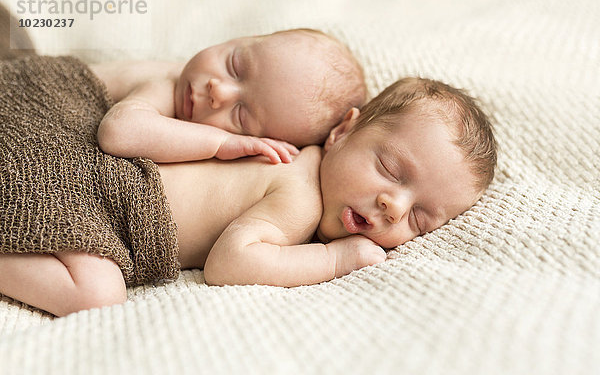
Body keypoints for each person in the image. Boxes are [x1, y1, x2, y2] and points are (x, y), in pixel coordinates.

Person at [0, 76, 496, 317]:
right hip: (87, 190)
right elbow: (230, 263)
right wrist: (335, 259)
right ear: (343, 131)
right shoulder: (299, 189)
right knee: (97, 295)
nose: (395, 207)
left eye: (422, 218)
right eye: (388, 168)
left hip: (88, 184)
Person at [93, 28, 367, 164]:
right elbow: (118, 132)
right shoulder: (166, 85)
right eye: (235, 66)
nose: (219, 91)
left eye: (240, 115)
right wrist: (222, 142)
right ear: (241, 38)